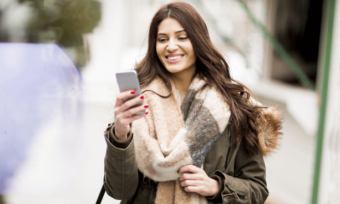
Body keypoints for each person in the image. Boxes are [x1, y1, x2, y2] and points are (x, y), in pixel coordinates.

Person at [103, 2, 281, 204]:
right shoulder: (140, 101)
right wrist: (120, 133)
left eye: (182, 37)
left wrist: (216, 186)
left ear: (198, 40)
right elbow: (119, 190)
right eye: (162, 39)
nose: (171, 46)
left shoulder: (232, 106)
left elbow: (257, 189)